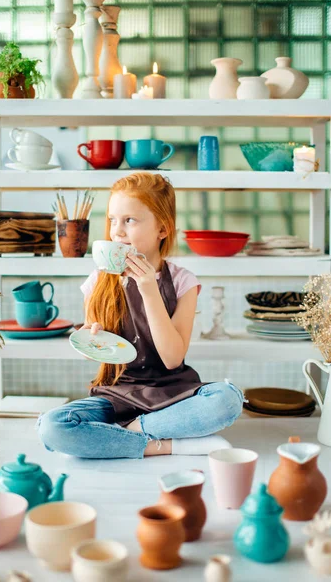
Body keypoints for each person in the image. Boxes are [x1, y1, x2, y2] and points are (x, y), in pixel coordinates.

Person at [37, 173, 243, 459]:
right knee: (52, 427)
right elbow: (94, 349)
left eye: (129, 220)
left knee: (227, 401)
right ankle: (166, 444)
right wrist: (89, 338)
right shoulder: (98, 280)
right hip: (115, 396)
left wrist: (148, 288)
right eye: (112, 220)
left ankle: (126, 434)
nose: (116, 232)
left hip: (174, 395)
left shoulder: (184, 282)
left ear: (162, 228)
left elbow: (172, 359)